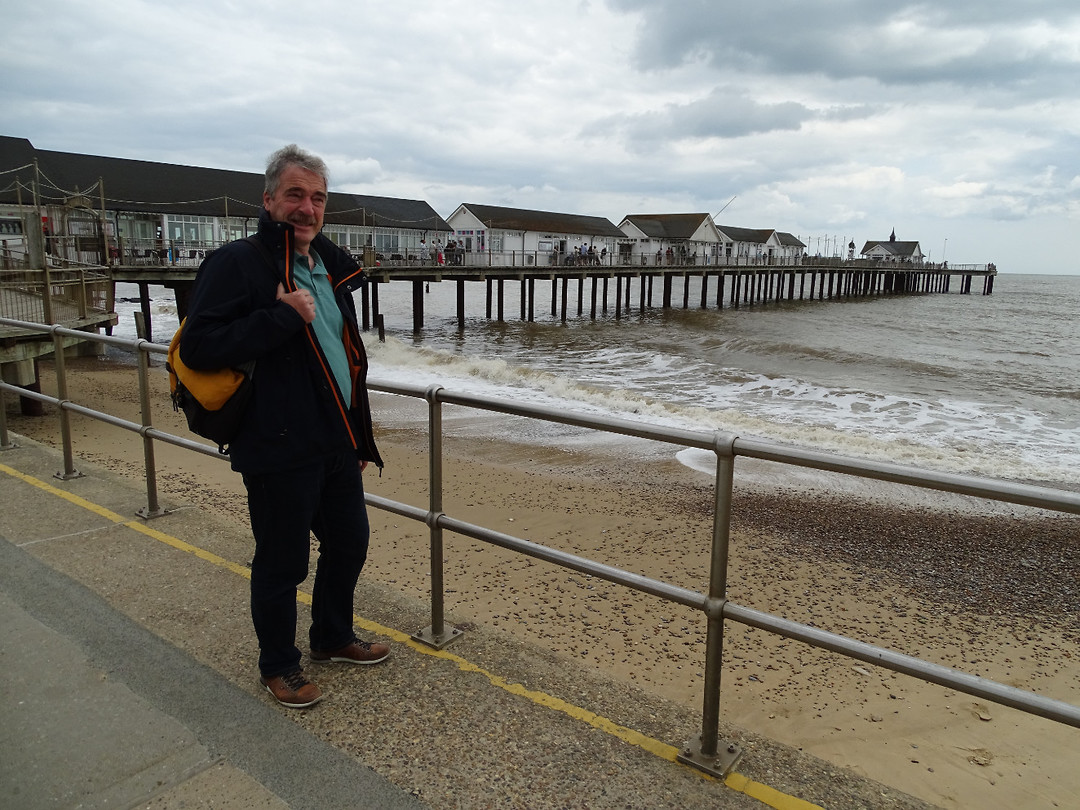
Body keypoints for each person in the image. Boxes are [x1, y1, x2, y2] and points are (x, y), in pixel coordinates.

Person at [179, 144, 388, 709]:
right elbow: (199, 346)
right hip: (276, 445)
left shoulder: (327, 264)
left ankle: (332, 636)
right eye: (295, 194)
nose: (307, 207)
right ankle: (279, 665)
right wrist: (280, 317)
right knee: (282, 561)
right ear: (269, 199)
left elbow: (343, 356)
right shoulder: (238, 263)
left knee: (349, 542)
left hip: (335, 441)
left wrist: (357, 435)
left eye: (318, 198)